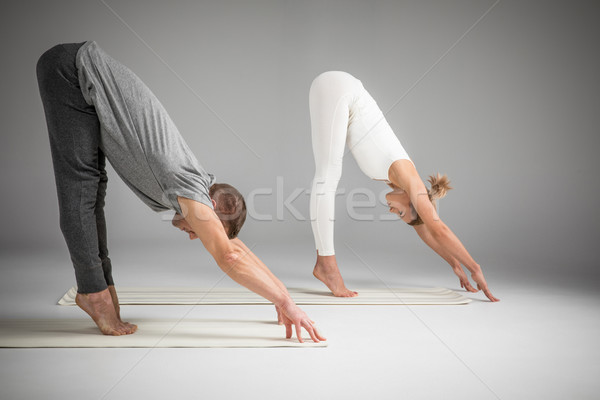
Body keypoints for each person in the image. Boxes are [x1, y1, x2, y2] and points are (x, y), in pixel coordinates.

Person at [36, 41, 325, 342]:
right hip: (70, 70)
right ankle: (93, 293)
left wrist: (283, 295)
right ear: (211, 205)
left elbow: (236, 247)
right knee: (80, 186)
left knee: (93, 188)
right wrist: (284, 303)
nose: (192, 234)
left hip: (83, 76)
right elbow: (228, 257)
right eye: (201, 229)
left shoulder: (196, 182)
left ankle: (99, 288)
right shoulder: (189, 188)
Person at [308, 71, 499, 302]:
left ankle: (325, 264)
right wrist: (474, 268)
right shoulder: (410, 177)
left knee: (327, 174)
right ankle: (327, 266)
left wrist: (453, 263)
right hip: (342, 90)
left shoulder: (400, 182)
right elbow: (439, 229)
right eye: (400, 212)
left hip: (338, 90)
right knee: (327, 176)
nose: (391, 211)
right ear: (412, 199)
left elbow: (424, 230)